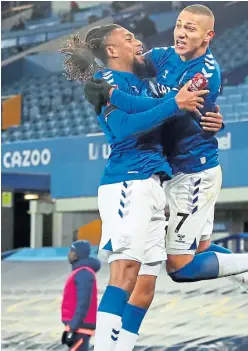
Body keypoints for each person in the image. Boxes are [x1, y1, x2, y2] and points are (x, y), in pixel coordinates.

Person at [83, 5, 248, 350]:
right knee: (194, 254)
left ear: (208, 36)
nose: (181, 32)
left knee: (180, 266)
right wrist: (96, 79)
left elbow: (168, 107)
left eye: (191, 29)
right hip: (164, 174)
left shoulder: (204, 72)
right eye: (179, 25)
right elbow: (131, 70)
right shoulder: (163, 56)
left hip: (191, 172)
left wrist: (111, 94)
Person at [60, 24, 211, 351]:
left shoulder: (138, 86)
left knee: (144, 287)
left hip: (153, 183)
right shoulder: (106, 81)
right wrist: (175, 103)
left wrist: (182, 102)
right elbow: (127, 127)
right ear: (112, 51)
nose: (138, 41)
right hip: (128, 182)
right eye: (128, 38)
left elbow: (152, 110)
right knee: (125, 271)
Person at [61, 240, 100, 351]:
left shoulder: (84, 273)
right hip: (77, 326)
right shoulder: (80, 272)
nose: (69, 253)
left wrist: (73, 326)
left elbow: (84, 302)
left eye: (72, 251)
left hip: (80, 327)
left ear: (79, 254)